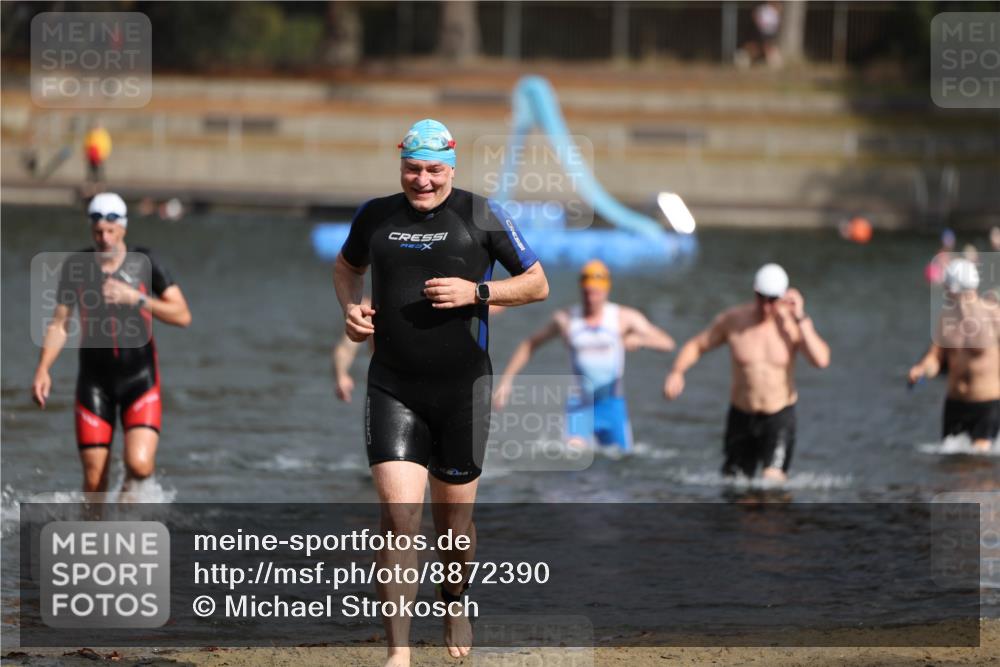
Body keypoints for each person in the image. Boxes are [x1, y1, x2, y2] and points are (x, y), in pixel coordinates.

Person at [332, 118, 548, 666]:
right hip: (392, 387)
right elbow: (345, 266)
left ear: (451, 167)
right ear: (399, 163)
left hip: (462, 392)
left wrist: (477, 289)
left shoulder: (482, 213)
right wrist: (352, 311)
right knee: (399, 519)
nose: (421, 180)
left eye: (433, 170)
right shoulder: (375, 214)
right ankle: (398, 652)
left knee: (454, 531)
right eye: (412, 168)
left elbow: (537, 283)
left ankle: (455, 599)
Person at [32, 193, 191, 498]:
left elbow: (183, 315)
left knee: (140, 464)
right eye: (97, 232)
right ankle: (95, 540)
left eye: (110, 231)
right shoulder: (76, 267)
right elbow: (60, 323)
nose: (104, 238)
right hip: (95, 383)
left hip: (139, 379)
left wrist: (138, 299)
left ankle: (129, 506)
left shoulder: (147, 262)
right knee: (94, 481)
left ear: (123, 229)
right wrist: (43, 368)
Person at [664, 263, 830, 482]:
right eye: (761, 298)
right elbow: (697, 345)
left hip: (778, 416)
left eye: (772, 300)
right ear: (754, 293)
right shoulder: (734, 321)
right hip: (741, 415)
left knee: (772, 484)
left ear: (782, 298)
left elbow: (821, 360)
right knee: (736, 486)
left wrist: (801, 317)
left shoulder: (792, 326)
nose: (766, 306)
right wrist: (677, 371)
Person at [494, 259, 675, 451]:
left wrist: (641, 341)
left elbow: (667, 343)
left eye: (596, 293)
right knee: (571, 456)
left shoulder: (624, 317)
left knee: (622, 460)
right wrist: (506, 381)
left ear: (606, 290)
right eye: (587, 292)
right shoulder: (566, 319)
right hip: (580, 405)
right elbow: (530, 344)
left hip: (611, 406)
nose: (591, 298)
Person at [909, 259, 999, 451]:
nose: (944, 291)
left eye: (947, 287)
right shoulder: (946, 318)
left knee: (978, 467)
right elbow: (936, 357)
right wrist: (922, 370)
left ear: (956, 289)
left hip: (987, 405)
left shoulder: (993, 315)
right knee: (951, 466)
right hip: (955, 405)